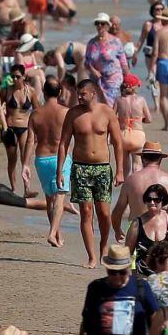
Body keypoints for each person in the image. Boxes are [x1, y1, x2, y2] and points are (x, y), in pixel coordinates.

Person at [59, 79, 124, 269]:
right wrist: (60, 171)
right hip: (80, 168)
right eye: (78, 93)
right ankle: (92, 256)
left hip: (103, 168)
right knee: (86, 213)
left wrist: (119, 170)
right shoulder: (73, 114)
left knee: (104, 213)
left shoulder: (107, 112)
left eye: (83, 94)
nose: (79, 97)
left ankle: (104, 247)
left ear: (93, 93)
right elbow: (63, 143)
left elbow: (118, 143)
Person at [30, 78, 71, 247]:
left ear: (44, 93)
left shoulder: (36, 113)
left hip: (41, 159)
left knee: (50, 199)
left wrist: (25, 164)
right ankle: (52, 233)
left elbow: (29, 141)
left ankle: (58, 237)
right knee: (60, 198)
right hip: (60, 158)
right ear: (60, 92)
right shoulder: (66, 112)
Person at [125, 183, 168, 277]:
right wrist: (131, 273)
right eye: (149, 199)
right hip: (142, 275)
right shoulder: (137, 223)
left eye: (156, 200)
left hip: (167, 276)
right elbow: (128, 253)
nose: (152, 202)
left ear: (163, 201)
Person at [1, 65, 36, 197]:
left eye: (18, 76)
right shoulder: (6, 91)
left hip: (25, 128)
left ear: (24, 77)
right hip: (10, 128)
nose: (15, 79)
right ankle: (14, 189)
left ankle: (27, 189)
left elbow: (37, 111)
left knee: (25, 159)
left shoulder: (30, 92)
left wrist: (37, 130)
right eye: (13, 76)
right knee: (12, 160)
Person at [84, 12, 130, 106]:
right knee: (96, 106)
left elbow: (123, 62)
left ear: (107, 26)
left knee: (109, 106)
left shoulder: (116, 42)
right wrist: (93, 71)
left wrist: (129, 78)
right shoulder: (91, 43)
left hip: (112, 79)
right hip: (96, 80)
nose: (100, 25)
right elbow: (87, 62)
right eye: (98, 23)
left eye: (103, 23)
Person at [114, 74, 152, 176]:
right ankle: (136, 185)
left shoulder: (119, 100)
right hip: (137, 134)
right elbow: (149, 119)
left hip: (123, 135)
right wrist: (141, 120)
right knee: (137, 164)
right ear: (134, 86)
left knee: (125, 165)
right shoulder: (141, 100)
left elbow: (112, 118)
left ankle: (127, 185)